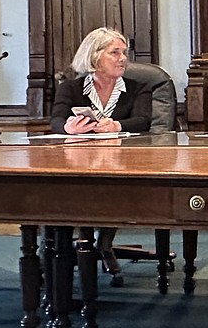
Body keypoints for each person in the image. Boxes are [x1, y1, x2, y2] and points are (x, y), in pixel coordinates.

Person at [50, 27, 153, 287]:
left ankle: (103, 243)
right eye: (114, 53)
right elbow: (56, 120)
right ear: (95, 57)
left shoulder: (138, 88)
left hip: (123, 161)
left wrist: (116, 126)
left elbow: (144, 121)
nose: (122, 59)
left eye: (124, 53)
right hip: (78, 161)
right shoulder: (71, 88)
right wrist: (68, 128)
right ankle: (75, 247)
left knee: (111, 189)